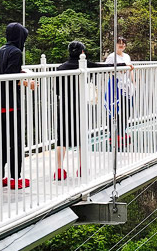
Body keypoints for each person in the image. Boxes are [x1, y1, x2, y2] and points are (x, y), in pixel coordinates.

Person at [54, 41, 132, 180]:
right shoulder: (85, 64)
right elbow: (105, 66)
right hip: (79, 105)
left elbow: (57, 90)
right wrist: (124, 65)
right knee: (81, 136)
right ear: (82, 53)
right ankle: (82, 169)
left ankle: (59, 170)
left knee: (62, 138)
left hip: (64, 105)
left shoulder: (61, 68)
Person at [0, 23, 35, 190]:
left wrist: (21, 74)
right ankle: (15, 179)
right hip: (10, 105)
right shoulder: (16, 52)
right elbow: (10, 77)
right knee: (15, 142)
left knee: (0, 142)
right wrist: (26, 81)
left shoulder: (0, 50)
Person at [104, 38, 135, 148]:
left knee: (127, 109)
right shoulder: (112, 57)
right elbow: (106, 69)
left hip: (126, 86)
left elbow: (130, 70)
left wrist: (133, 82)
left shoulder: (126, 56)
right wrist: (119, 69)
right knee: (114, 110)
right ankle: (113, 134)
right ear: (115, 45)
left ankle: (122, 131)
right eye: (119, 43)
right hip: (115, 85)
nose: (121, 45)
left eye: (123, 43)